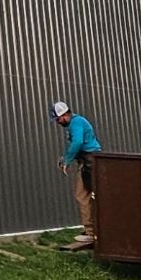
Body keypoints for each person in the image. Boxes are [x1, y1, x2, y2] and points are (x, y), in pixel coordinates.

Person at [54, 101, 102, 247]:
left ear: (64, 115)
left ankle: (90, 232)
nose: (57, 122)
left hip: (89, 162)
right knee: (91, 195)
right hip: (90, 160)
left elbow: (77, 143)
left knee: (83, 195)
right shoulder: (77, 122)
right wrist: (66, 157)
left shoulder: (76, 123)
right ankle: (93, 230)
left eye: (58, 119)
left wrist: (66, 161)